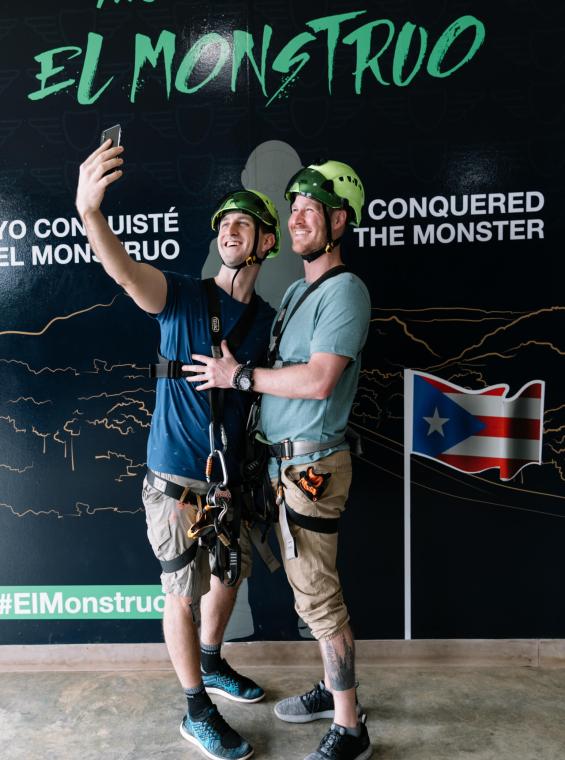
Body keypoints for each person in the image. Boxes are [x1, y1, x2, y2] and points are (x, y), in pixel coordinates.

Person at [75, 138, 280, 760]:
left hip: (230, 482)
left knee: (229, 577)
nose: (233, 231)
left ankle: (212, 664)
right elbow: (123, 271)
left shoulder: (269, 320)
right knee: (181, 593)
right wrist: (90, 214)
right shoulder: (183, 298)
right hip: (174, 482)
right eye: (225, 223)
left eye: (246, 223)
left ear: (267, 243)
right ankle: (195, 708)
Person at [185, 159, 372, 760]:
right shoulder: (296, 292)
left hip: (313, 468)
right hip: (278, 467)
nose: (297, 220)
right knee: (306, 591)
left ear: (339, 221)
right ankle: (330, 687)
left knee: (318, 596)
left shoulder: (346, 291)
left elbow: (318, 381)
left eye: (310, 211)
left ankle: (351, 726)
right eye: (292, 211)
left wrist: (236, 375)